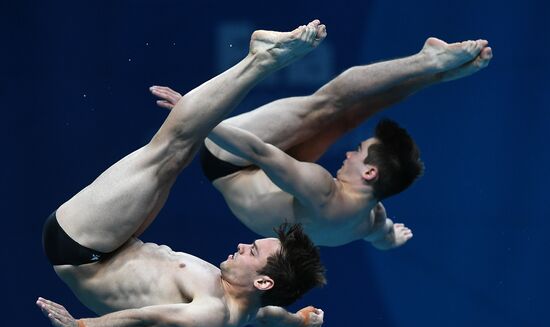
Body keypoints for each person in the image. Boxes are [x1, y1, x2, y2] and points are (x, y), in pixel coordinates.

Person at [36, 20, 328, 327]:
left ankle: (262, 58)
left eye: (253, 251)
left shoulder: (210, 314)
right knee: (179, 152)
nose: (244, 245)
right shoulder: (248, 305)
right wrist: (297, 322)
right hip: (119, 243)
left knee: (170, 148)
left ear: (262, 282)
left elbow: (144, 321)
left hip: (80, 246)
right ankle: (260, 59)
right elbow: (268, 317)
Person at [150, 37, 493, 249]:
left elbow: (257, 150)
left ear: (371, 173)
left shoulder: (322, 190)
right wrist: (393, 239)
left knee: (324, 105)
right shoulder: (370, 220)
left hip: (230, 160)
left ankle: (428, 62)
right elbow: (385, 238)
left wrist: (195, 115)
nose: (347, 152)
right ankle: (438, 74)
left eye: (358, 153)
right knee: (347, 116)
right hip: (270, 178)